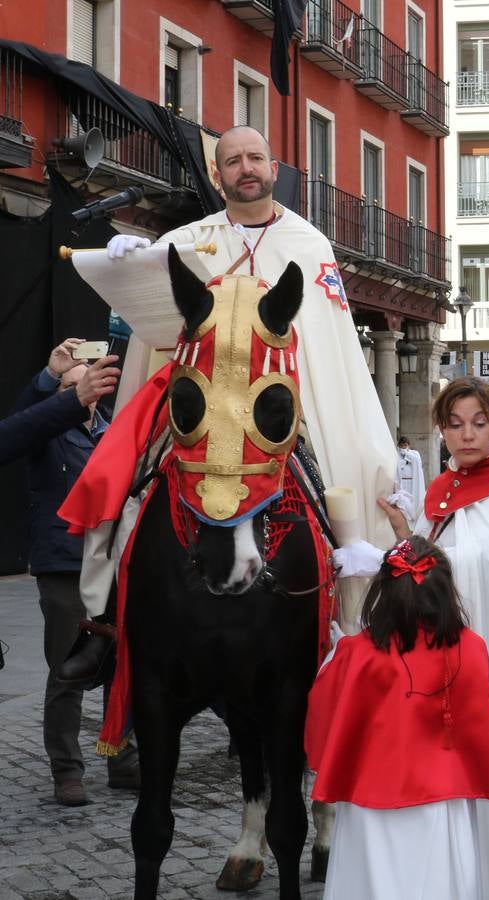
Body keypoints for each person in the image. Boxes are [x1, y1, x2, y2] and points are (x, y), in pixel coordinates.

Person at [60, 124, 395, 644]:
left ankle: (341, 619)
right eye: (233, 160)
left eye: (255, 158)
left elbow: (332, 350)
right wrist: (132, 258)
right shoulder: (189, 239)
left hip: (281, 410)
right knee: (126, 481)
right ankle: (107, 621)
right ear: (219, 176)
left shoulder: (309, 244)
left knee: (340, 477)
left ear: (273, 170)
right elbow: (161, 322)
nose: (246, 168)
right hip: (204, 409)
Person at [336, 377, 489, 900]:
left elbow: (467, 567)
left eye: (479, 423)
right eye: (454, 424)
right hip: (445, 667)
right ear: (441, 429)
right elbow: (434, 568)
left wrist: (393, 557)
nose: (466, 435)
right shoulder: (442, 490)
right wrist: (406, 536)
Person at [306, 537, 489, 900]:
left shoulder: (356, 654)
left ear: (383, 591)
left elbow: (322, 722)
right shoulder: (472, 648)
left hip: (371, 800)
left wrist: (332, 661)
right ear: (446, 590)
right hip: (445, 800)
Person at [9, 340, 129, 806]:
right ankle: (67, 770)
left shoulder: (112, 430)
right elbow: (14, 430)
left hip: (113, 559)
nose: (85, 390)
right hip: (64, 562)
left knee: (122, 666)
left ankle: (123, 756)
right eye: (72, 385)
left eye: (90, 381)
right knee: (69, 669)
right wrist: (48, 384)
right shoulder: (47, 430)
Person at [394, 436, 427, 530]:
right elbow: (398, 466)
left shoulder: (414, 454)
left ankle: (413, 524)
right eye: (401, 446)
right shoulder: (397, 456)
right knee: (403, 503)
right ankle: (405, 522)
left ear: (409, 445)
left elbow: (416, 461)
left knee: (413, 503)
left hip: (412, 483)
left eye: (405, 445)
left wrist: (407, 454)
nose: (403, 448)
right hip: (403, 484)